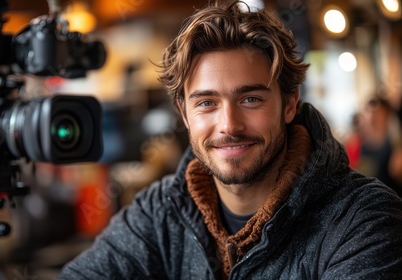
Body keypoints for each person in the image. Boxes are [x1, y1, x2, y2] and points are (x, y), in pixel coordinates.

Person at [58, 1, 402, 279]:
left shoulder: (364, 219)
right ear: (184, 114)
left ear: (289, 103)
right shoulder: (160, 212)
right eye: (207, 103)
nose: (229, 125)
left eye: (250, 99)